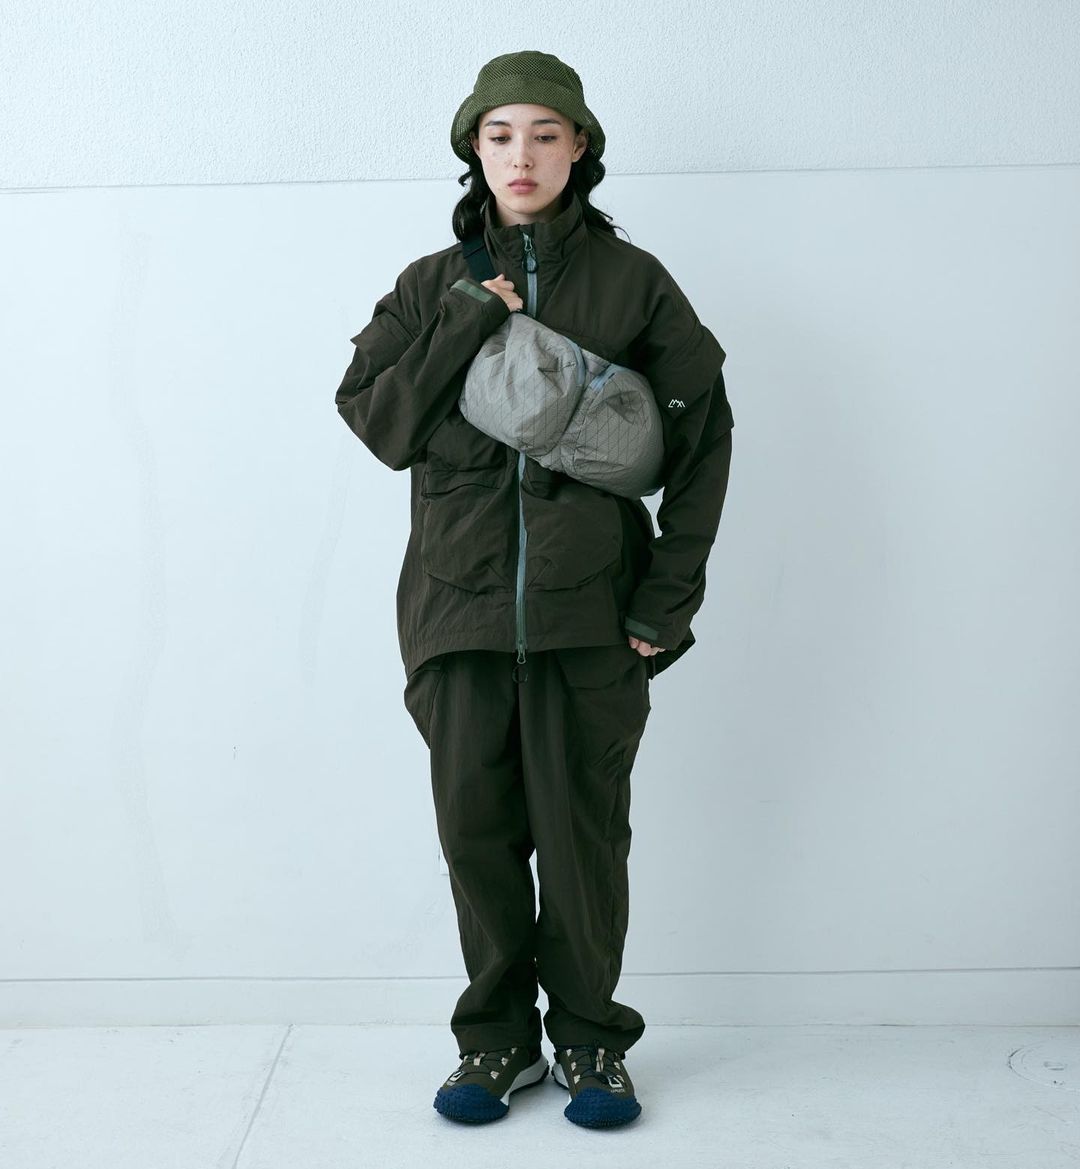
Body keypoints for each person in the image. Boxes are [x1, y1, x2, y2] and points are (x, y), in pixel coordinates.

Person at [334, 50, 734, 1130]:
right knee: (476, 837)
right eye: (502, 133)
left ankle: (592, 1040)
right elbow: (378, 421)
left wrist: (665, 600)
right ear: (475, 147)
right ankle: (497, 1038)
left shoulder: (633, 281)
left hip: (591, 617)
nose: (523, 155)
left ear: (579, 148)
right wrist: (469, 316)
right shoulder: (430, 284)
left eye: (546, 134)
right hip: (455, 612)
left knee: (583, 841)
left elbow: (704, 437)